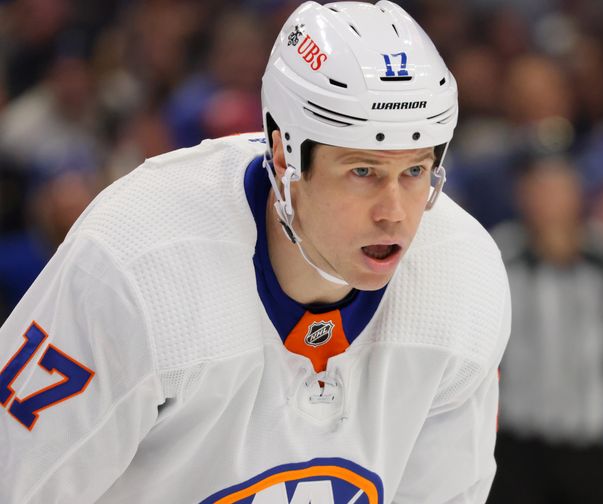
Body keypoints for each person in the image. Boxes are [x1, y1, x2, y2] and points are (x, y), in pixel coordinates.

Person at [0, 2, 511, 503]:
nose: (395, 213)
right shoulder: (140, 265)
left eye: (415, 172)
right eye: (363, 172)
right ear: (285, 155)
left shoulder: (461, 278)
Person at [488, 156, 603, 504]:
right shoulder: (500, 254)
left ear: (577, 194)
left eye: (558, 187)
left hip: (587, 443)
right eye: (538, 188)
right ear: (522, 195)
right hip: (515, 441)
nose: (548, 199)